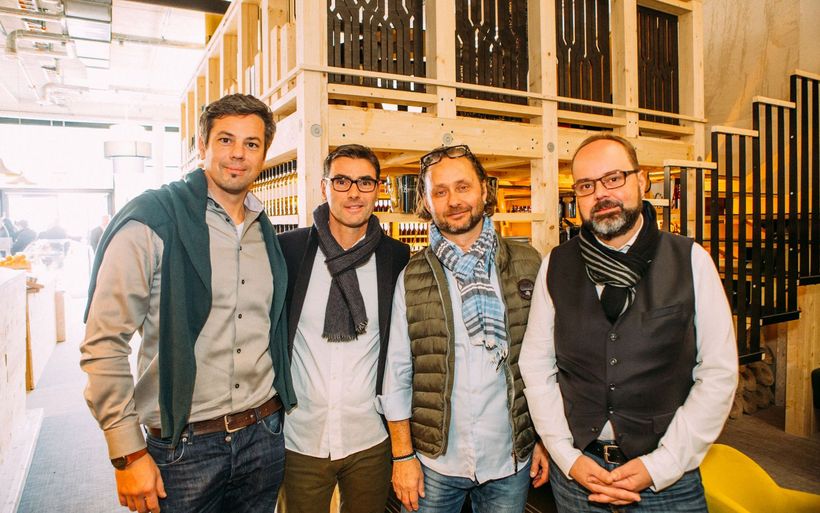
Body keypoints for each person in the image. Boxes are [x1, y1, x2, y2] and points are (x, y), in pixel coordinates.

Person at [80, 93, 295, 513]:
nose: (238, 154)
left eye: (251, 143)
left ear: (264, 153)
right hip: (184, 449)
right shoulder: (153, 220)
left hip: (264, 437)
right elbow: (104, 343)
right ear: (202, 145)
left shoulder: (265, 232)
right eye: (226, 140)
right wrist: (127, 452)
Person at [520, 134, 738, 512]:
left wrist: (661, 465)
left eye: (613, 178)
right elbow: (537, 366)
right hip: (578, 476)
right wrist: (566, 456)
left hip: (668, 480)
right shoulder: (556, 265)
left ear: (642, 180)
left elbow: (718, 373)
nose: (601, 194)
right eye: (586, 186)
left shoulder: (691, 260)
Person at [378, 144, 549, 513]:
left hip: (509, 459)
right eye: (439, 191)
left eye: (462, 187)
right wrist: (402, 456)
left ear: (484, 190)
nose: (453, 200)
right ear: (426, 202)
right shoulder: (412, 276)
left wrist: (543, 440)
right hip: (434, 461)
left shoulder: (529, 263)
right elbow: (397, 373)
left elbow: (545, 362)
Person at [277, 144, 410, 513]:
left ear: (378, 189)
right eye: (342, 181)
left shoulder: (396, 257)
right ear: (324, 187)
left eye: (365, 182)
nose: (354, 192)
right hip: (300, 438)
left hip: (370, 438)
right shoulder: (289, 250)